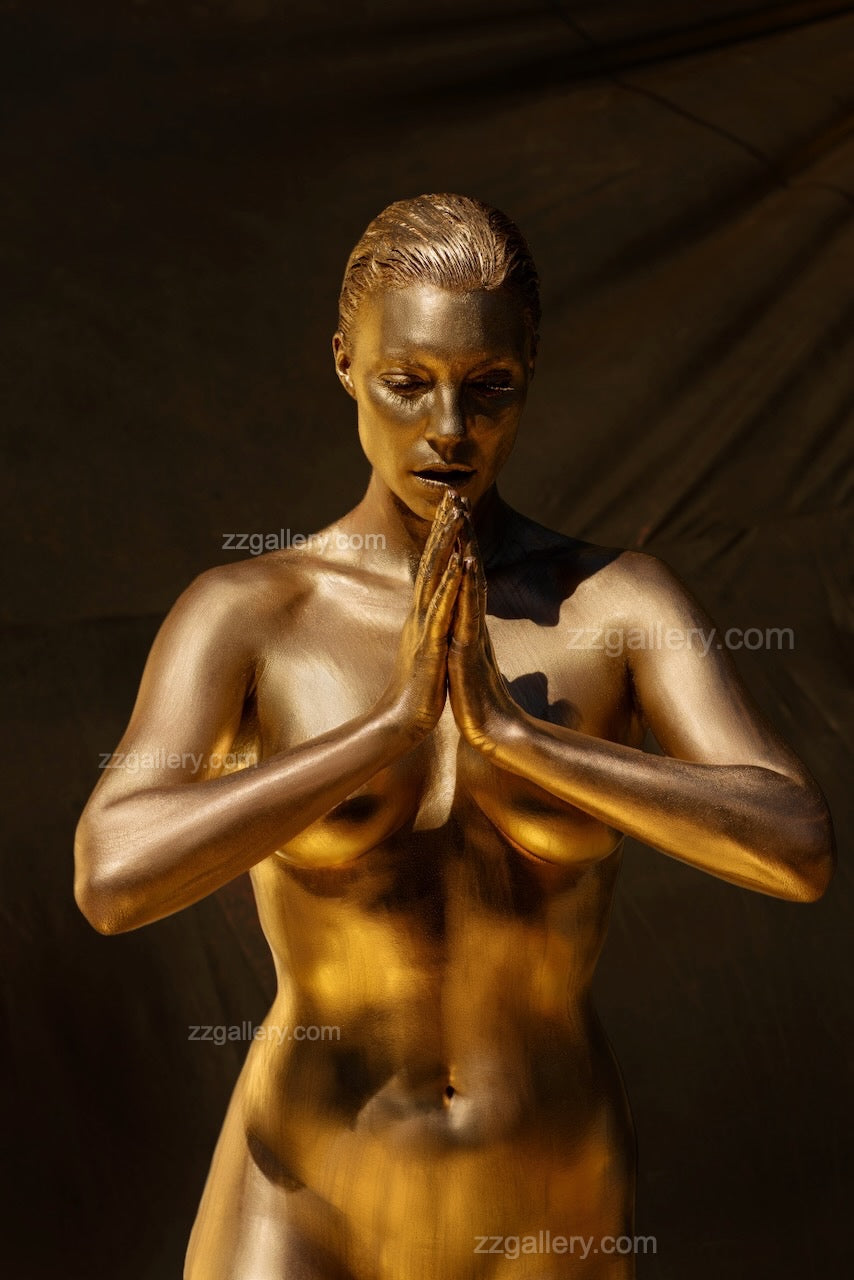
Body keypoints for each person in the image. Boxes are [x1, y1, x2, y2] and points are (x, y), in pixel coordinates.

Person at [74, 193, 835, 1279]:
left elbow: (796, 843)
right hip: (302, 1196)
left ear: (527, 373)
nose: (448, 430)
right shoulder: (250, 610)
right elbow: (111, 875)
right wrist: (385, 730)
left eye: (489, 390)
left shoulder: (614, 604)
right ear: (342, 362)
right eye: (406, 383)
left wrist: (519, 739)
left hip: (545, 1198)